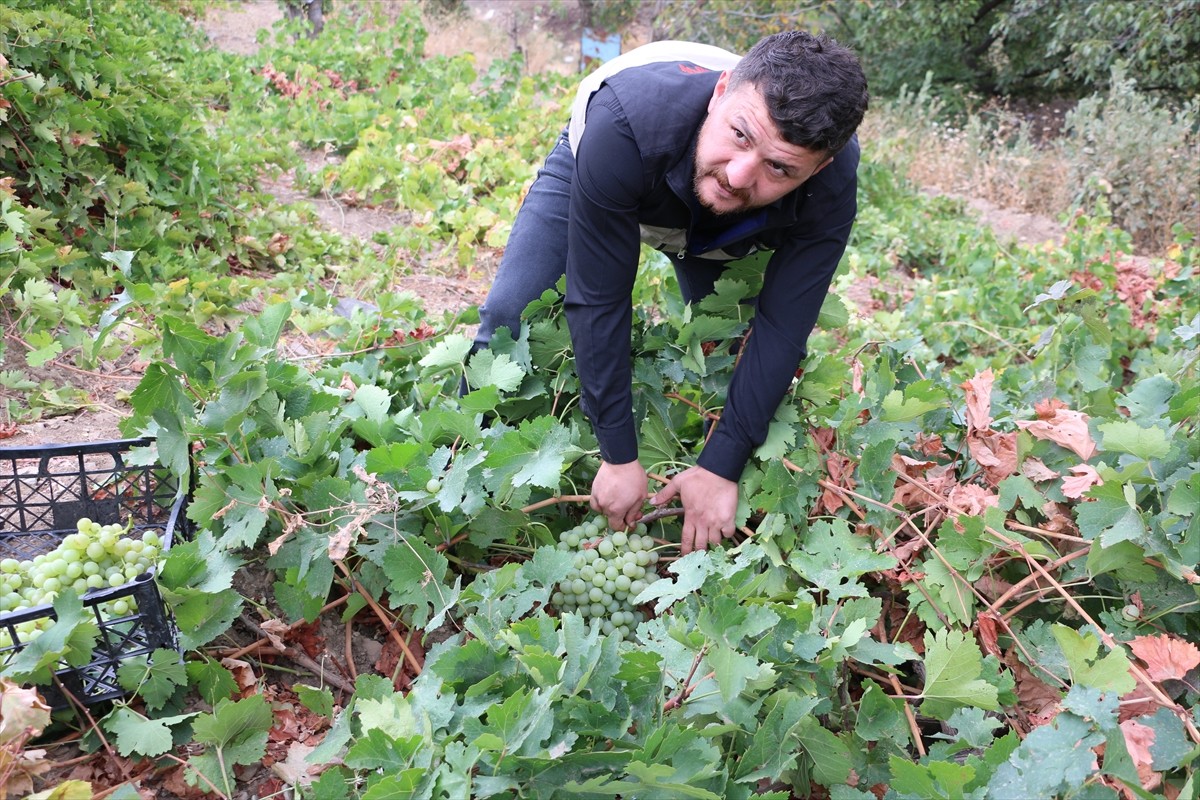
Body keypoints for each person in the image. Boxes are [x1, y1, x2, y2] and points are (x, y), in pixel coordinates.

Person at [472, 32, 869, 554]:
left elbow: (782, 326)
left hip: (737, 229)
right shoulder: (624, 122)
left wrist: (721, 466)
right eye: (741, 136)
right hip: (629, 165)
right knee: (510, 314)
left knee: (730, 351)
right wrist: (617, 455)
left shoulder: (829, 183)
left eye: (779, 167)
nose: (737, 173)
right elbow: (600, 296)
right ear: (721, 90)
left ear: (815, 168)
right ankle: (470, 467)